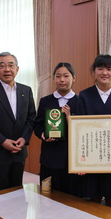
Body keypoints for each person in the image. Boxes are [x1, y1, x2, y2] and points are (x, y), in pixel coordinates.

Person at [77, 54, 111, 209]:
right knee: (93, 199)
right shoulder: (85, 96)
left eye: (109, 69)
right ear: (94, 72)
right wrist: (80, 163)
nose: (104, 73)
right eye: (100, 68)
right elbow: (80, 131)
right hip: (92, 155)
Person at [0, 52, 36, 192]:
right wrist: (3, 141)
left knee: (16, 192)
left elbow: (31, 117)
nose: (7, 69)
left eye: (11, 65)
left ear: (17, 69)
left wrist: (24, 138)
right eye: (2, 66)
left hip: (19, 152)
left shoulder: (26, 90)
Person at [34, 62, 79, 194]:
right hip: (50, 157)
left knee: (71, 198)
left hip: (71, 160)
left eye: (66, 76)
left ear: (73, 78)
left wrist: (70, 118)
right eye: (58, 76)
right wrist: (42, 134)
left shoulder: (80, 101)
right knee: (47, 195)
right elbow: (37, 124)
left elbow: (84, 130)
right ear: (54, 79)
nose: (62, 80)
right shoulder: (45, 101)